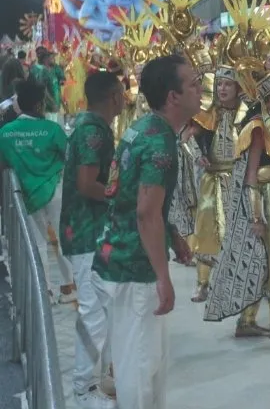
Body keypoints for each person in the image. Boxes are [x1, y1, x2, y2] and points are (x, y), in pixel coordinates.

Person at [91, 55, 200, 409]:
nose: (202, 91)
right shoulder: (159, 142)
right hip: (134, 268)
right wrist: (162, 275)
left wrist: (172, 233)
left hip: (120, 255)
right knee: (140, 368)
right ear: (173, 96)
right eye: (194, 85)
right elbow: (144, 213)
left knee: (147, 361)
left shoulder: (143, 127)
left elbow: (132, 198)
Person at [203, 0, 270, 341]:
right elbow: (250, 175)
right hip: (266, 198)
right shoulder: (259, 126)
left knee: (265, 258)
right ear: (266, 98)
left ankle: (247, 321)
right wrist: (258, 216)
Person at [60, 71, 124, 408]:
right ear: (113, 96)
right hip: (85, 233)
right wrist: (119, 197)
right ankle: (83, 388)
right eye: (123, 92)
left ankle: (106, 375)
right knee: (94, 313)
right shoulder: (92, 133)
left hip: (93, 232)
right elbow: (87, 184)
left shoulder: (93, 128)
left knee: (106, 306)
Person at [0, 77, 74, 302]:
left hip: (25, 195)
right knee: (62, 239)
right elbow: (69, 158)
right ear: (40, 105)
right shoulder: (53, 129)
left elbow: (3, 165)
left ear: (19, 105)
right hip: (55, 191)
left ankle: (46, 292)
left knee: (37, 244)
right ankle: (69, 287)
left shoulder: (5, 133)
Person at [184, 61, 246, 302]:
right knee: (207, 230)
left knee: (238, 231)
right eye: (219, 84)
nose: (222, 89)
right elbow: (187, 138)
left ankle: (240, 280)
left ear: (238, 88)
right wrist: (198, 156)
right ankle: (202, 283)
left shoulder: (246, 114)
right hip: (212, 180)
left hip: (239, 179)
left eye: (228, 84)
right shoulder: (208, 115)